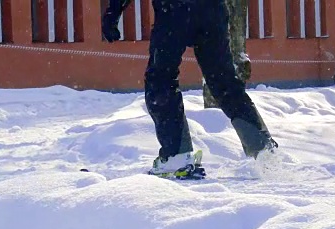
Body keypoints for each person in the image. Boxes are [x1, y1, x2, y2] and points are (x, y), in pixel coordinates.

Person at [101, 0, 278, 179]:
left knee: (161, 81)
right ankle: (261, 146)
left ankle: (176, 156)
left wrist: (113, 13)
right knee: (225, 83)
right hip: (213, 11)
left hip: (174, 11)